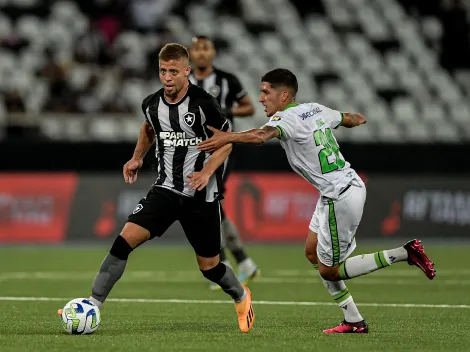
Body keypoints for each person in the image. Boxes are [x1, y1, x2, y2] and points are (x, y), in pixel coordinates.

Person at [197, 68, 436, 334]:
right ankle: (354, 320)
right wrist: (354, 119)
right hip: (337, 189)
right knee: (312, 252)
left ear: (284, 95)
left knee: (330, 271)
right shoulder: (314, 109)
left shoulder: (286, 118)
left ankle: (404, 253)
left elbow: (260, 136)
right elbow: (344, 118)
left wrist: (227, 137)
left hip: (340, 195)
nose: (261, 98)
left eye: (266, 92)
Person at [57, 43, 255, 334]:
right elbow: (148, 128)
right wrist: (137, 157)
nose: (168, 77)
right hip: (164, 191)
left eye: (174, 71)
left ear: (187, 71)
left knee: (210, 267)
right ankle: (92, 304)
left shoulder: (204, 104)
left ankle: (240, 295)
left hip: (201, 197)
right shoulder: (152, 104)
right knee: (123, 242)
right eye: (163, 71)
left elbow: (227, 140)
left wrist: (206, 172)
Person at [188, 35, 259, 289]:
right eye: (197, 49)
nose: (201, 54)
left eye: (205, 49)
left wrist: (226, 111)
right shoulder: (185, 81)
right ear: (190, 53)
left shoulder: (226, 80)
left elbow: (249, 108)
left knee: (207, 202)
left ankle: (224, 265)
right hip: (191, 152)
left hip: (221, 149)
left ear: (213, 52)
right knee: (212, 205)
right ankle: (241, 261)